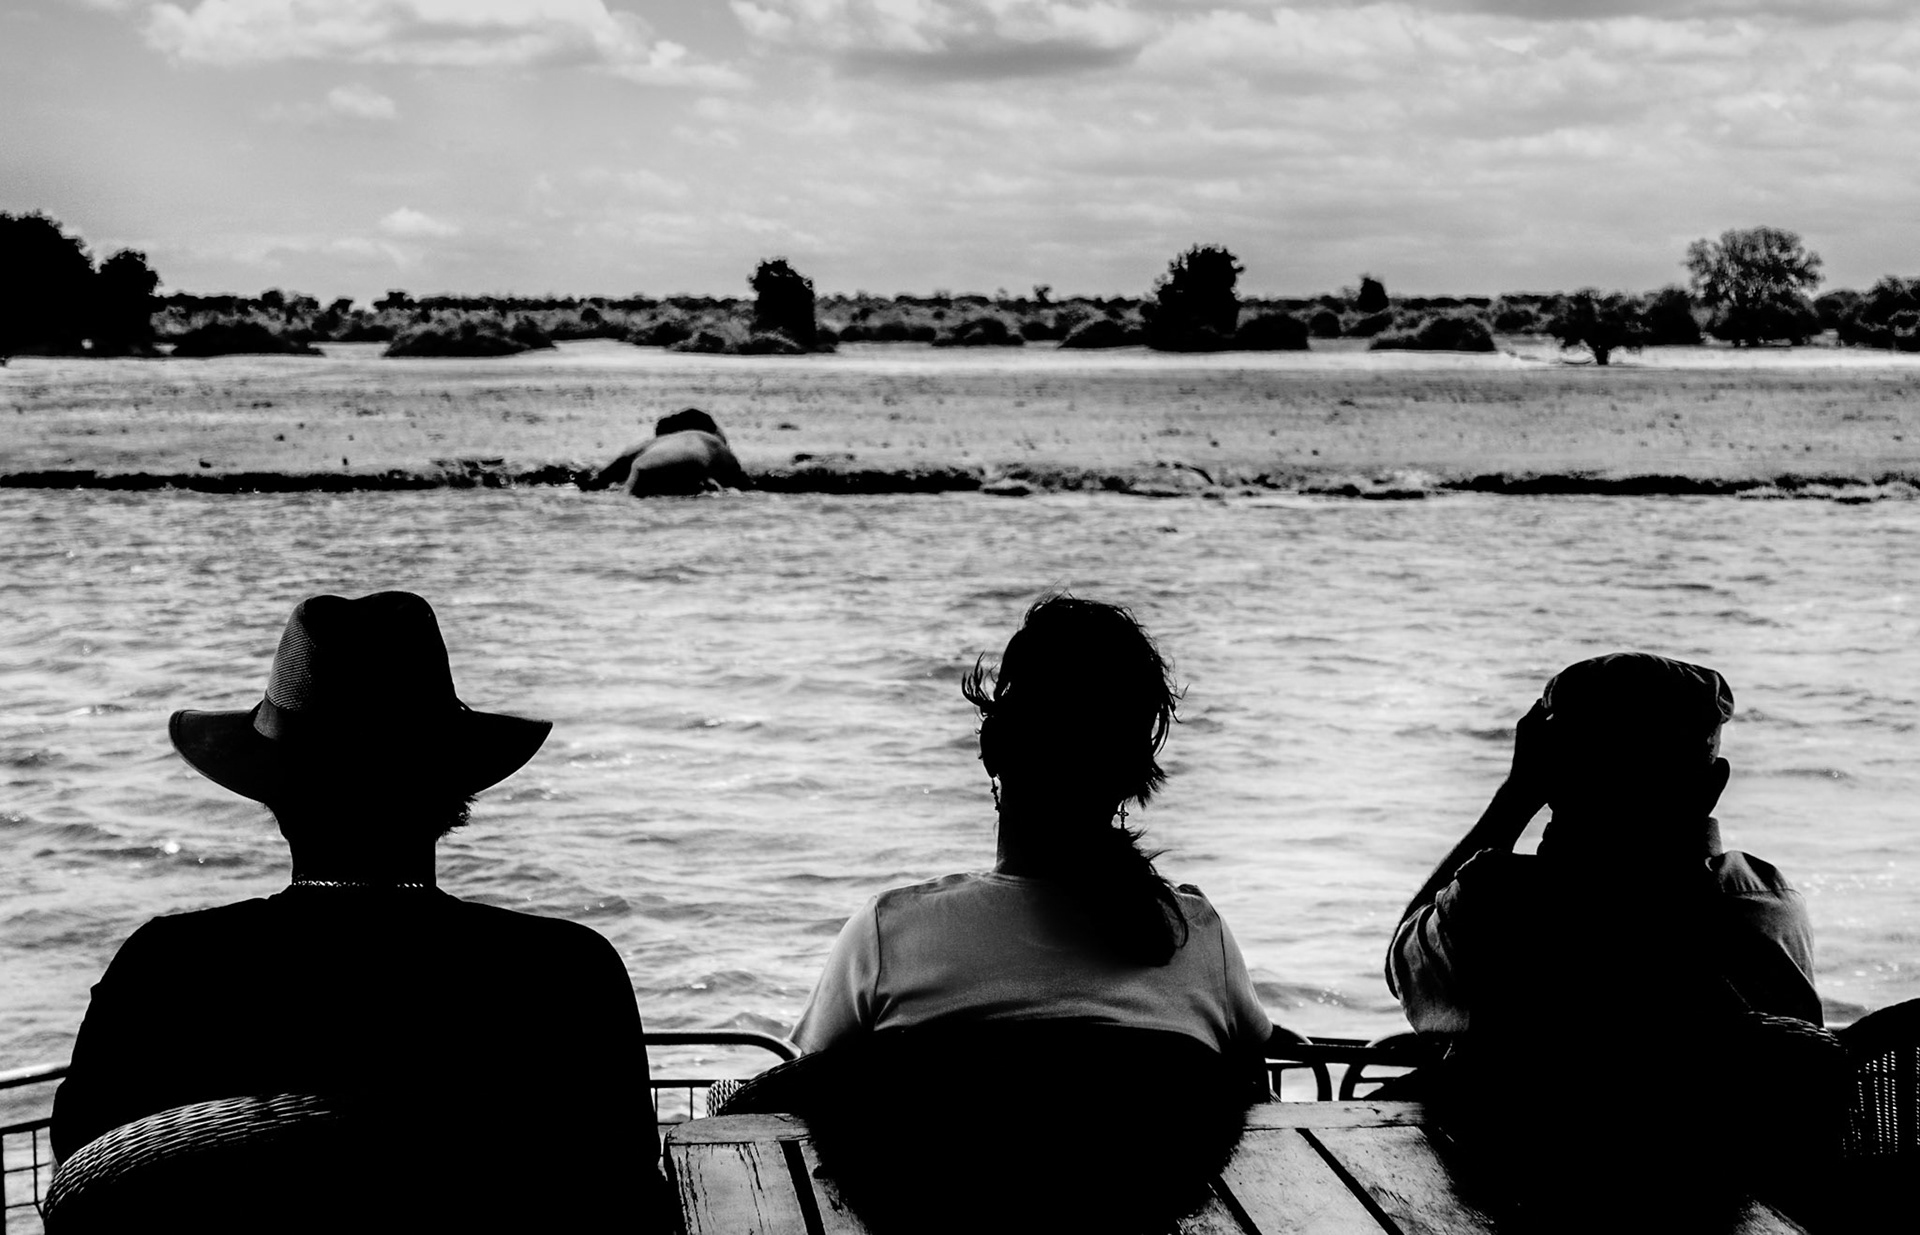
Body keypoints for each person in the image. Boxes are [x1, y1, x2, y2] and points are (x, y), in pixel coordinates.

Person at [52, 592, 670, 1230]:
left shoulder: (164, 969)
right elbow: (625, 1195)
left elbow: (84, 1188)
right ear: (453, 793)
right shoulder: (566, 974)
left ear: (274, 798)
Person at [782, 595, 1271, 1233]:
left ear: (993, 751)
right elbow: (1252, 1094)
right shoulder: (1198, 940)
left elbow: (801, 1101)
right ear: (1132, 777)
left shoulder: (889, 936)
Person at [1386, 652, 1836, 1225]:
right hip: (1725, 1208)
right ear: (1714, 785)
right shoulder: (1771, 901)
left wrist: (1515, 796)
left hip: (1527, 1206)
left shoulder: (1498, 901)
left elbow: (1403, 964)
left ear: (1553, 775)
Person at [581, 407, 747, 496]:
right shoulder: (712, 443)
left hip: (641, 467)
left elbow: (606, 475)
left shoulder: (653, 444)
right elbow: (741, 481)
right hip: (684, 471)